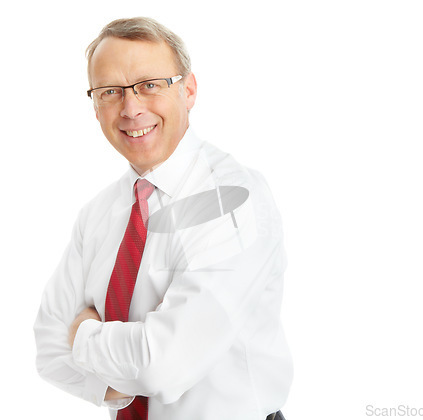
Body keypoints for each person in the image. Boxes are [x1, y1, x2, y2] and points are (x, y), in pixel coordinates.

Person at [34, 17, 293, 420]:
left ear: (188, 90)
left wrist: (83, 333)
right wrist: (122, 378)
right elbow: (49, 349)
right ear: (95, 105)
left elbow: (165, 363)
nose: (131, 108)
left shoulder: (232, 199)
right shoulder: (98, 214)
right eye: (110, 92)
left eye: (149, 85)